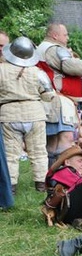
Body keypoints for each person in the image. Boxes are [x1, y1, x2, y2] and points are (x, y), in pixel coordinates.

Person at [37, 23, 82, 161]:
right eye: (65, 34)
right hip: (59, 99)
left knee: (53, 141)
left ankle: (50, 177)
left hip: (53, 98)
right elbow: (70, 65)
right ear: (55, 35)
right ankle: (60, 176)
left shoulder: (42, 48)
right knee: (66, 138)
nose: (67, 38)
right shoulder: (54, 48)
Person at [0, 37, 55, 195]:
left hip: (8, 115)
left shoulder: (1, 69)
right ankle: (41, 185)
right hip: (35, 114)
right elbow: (49, 95)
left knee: (10, 155)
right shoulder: (38, 72)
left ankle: (11, 188)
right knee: (38, 152)